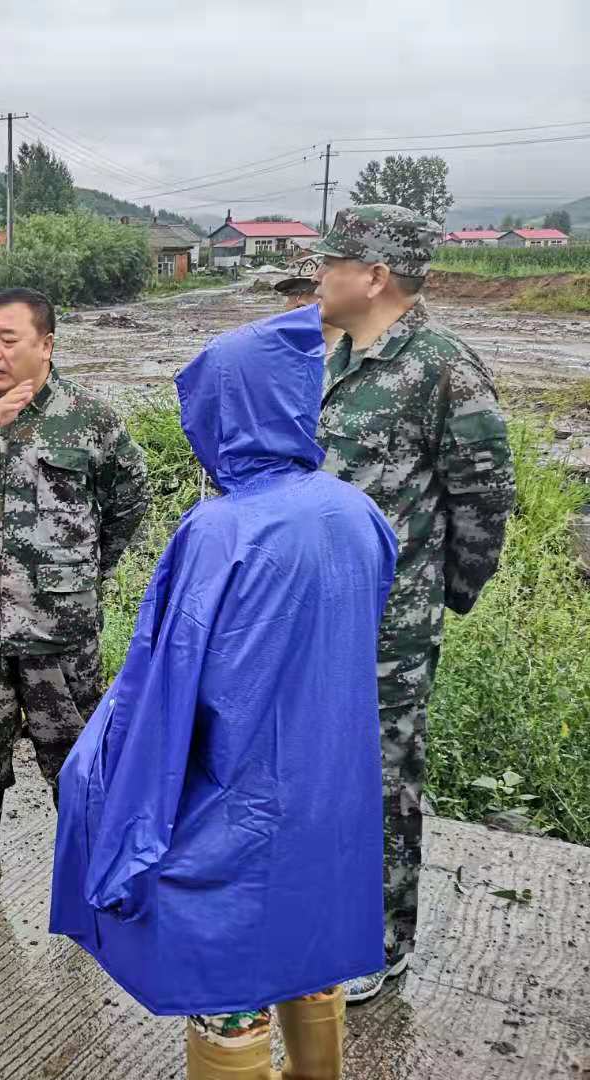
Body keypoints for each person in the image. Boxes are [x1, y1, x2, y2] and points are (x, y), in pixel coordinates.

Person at [50, 305, 398, 1080]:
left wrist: (111, 798)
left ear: (230, 413)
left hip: (241, 805)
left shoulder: (220, 532)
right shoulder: (360, 513)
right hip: (333, 791)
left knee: (228, 979)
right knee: (311, 949)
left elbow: (162, 692)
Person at [312, 205, 515, 1003]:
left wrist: (438, 597)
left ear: (375, 275)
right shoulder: (331, 356)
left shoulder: (442, 368)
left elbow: (485, 497)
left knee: (384, 778)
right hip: (319, 617)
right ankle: (327, 919)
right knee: (325, 772)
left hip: (390, 624)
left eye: (329, 263)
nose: (315, 276)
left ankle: (383, 942)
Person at [0, 287, 149, 900]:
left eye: (7, 339)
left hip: (58, 632)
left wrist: (84, 574)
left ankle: (84, 862)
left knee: (72, 752)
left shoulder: (90, 417)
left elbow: (129, 501)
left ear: (46, 344)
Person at [273, 269, 344, 352]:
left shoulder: (356, 356)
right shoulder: (277, 352)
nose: (300, 301)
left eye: (314, 290)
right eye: (292, 293)